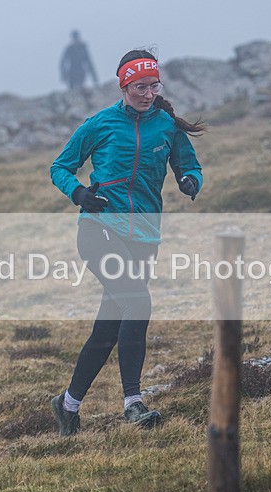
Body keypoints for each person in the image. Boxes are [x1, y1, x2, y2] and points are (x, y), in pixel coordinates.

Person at [49, 49, 207, 436]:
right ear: (124, 86)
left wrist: (191, 182)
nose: (148, 93)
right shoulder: (100, 124)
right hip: (99, 228)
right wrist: (79, 193)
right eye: (140, 86)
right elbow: (60, 167)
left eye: (154, 85)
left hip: (145, 235)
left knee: (109, 327)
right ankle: (133, 404)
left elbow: (190, 165)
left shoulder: (167, 126)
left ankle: (67, 405)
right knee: (137, 302)